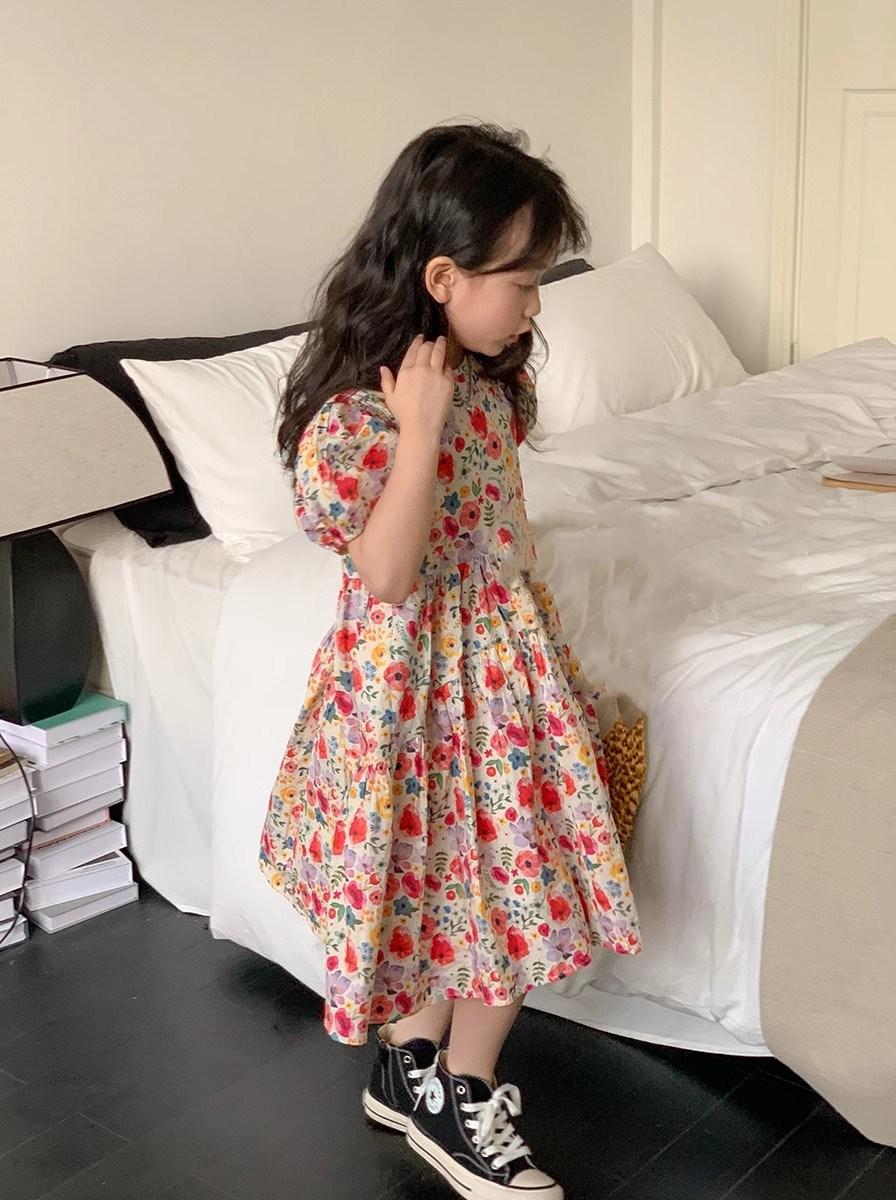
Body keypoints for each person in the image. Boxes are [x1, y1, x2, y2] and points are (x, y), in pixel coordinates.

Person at [258, 120, 642, 1200]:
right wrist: (418, 432)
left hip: (500, 676)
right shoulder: (357, 420)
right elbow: (387, 573)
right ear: (442, 277)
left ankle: (428, 1071)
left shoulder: (489, 385)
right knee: (449, 887)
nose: (534, 304)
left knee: (499, 888)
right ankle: (455, 1098)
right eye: (521, 280)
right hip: (407, 695)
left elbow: (496, 532)